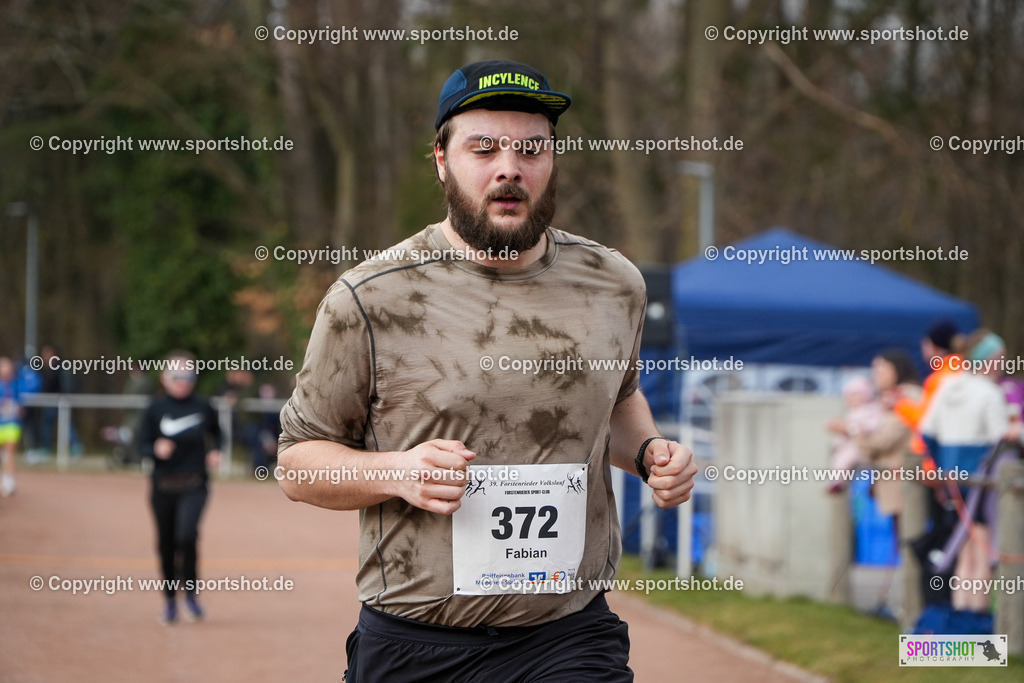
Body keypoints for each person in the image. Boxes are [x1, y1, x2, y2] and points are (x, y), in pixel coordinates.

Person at [277, 59, 697, 681]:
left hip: (568, 636)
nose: (509, 168)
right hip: (417, 640)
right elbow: (297, 464)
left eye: (531, 149)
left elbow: (617, 399)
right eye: (484, 149)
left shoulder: (613, 283)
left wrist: (651, 453)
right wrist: (398, 472)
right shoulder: (369, 299)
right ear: (441, 161)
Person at [920, 330, 1010, 612]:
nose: (1003, 365)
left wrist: (942, 469)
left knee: (964, 551)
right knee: (980, 552)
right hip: (981, 484)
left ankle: (960, 617)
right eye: (1000, 359)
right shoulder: (990, 392)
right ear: (987, 360)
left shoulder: (947, 386)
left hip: (953, 480)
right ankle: (976, 620)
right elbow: (1000, 439)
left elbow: (927, 432)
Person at [137, 351, 222, 624]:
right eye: (177, 376)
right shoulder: (155, 409)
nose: (183, 381)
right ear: (164, 378)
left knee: (186, 536)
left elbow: (218, 432)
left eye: (189, 376)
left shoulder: (203, 406)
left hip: (194, 484)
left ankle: (192, 596)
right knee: (166, 543)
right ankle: (170, 600)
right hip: (163, 487)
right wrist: (154, 448)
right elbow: (139, 443)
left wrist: (216, 450)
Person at [825, 375, 883, 493]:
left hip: (862, 449)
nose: (852, 399)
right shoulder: (852, 412)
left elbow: (871, 426)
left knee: (847, 458)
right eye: (850, 396)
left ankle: (837, 482)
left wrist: (850, 428)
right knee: (839, 458)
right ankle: (836, 481)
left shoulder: (871, 409)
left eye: (856, 395)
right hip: (849, 446)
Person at [0, 357, 22, 497]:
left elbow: (20, 402)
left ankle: (9, 480)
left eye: (8, 366)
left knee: (10, 452)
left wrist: (18, 409)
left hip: (12, 423)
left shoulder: (16, 384)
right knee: (3, 453)